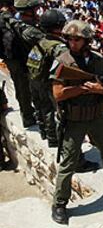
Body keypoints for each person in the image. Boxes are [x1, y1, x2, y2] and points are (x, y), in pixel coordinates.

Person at [50, 20, 103, 225]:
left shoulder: (97, 60)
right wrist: (85, 89)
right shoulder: (62, 61)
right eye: (69, 38)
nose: (72, 42)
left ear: (87, 40)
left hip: (95, 116)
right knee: (68, 163)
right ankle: (59, 203)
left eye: (77, 39)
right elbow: (58, 94)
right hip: (74, 120)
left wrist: (100, 91)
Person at [26, 9, 67, 147]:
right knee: (50, 110)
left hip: (34, 79)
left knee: (40, 107)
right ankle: (53, 139)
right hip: (45, 82)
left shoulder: (42, 40)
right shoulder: (57, 46)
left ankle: (44, 132)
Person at [0, 0, 36, 128]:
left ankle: (27, 112)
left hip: (11, 59)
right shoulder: (8, 19)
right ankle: (27, 116)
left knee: (20, 86)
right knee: (23, 87)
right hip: (16, 59)